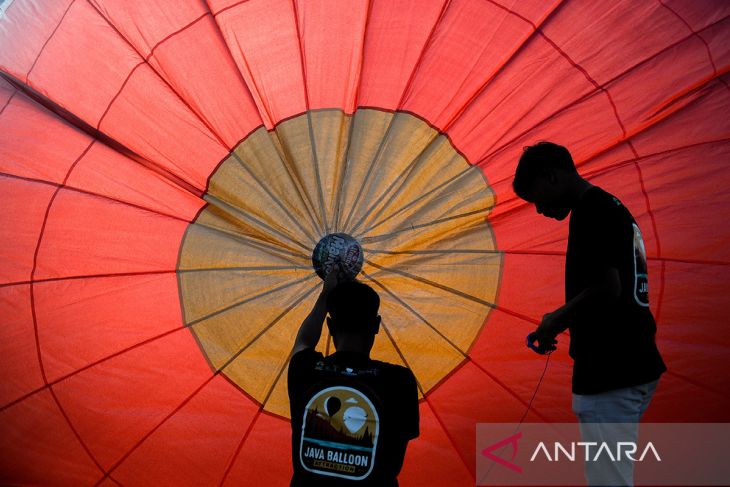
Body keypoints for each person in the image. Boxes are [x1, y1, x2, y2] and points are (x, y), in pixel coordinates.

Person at [513, 142, 666, 486]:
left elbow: (607, 288)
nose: (538, 210)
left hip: (610, 374)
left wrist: (556, 319)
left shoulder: (590, 212)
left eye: (535, 198)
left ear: (550, 176)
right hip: (638, 364)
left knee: (608, 480)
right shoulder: (611, 206)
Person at [287, 266, 419, 486]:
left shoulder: (305, 369)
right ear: (376, 325)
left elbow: (304, 342)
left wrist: (325, 294)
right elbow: (394, 462)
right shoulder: (399, 380)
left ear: (329, 325)